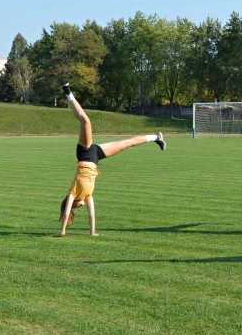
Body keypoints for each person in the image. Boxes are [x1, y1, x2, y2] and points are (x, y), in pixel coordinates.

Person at [54, 83, 166, 237]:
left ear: (71, 203)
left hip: (85, 152)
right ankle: (156, 137)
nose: (79, 207)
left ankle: (68, 93)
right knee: (126, 144)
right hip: (95, 157)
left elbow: (66, 213)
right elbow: (92, 215)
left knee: (86, 121)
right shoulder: (87, 196)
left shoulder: (72, 193)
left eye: (76, 207)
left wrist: (62, 232)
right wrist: (93, 233)